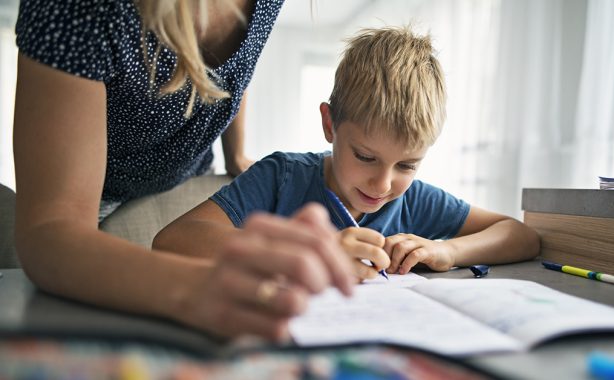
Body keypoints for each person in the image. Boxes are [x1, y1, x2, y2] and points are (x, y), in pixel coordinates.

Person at [13, 0, 355, 341]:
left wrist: (236, 153)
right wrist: (196, 290)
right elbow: (52, 231)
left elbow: (235, 69)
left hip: (185, 173)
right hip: (97, 191)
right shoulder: (78, 8)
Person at [153, 26, 540, 283]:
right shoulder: (282, 177)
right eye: (366, 157)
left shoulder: (414, 199)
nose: (384, 184)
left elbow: (519, 235)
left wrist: (448, 250)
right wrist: (301, 253)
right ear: (330, 125)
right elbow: (174, 240)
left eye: (406, 164)